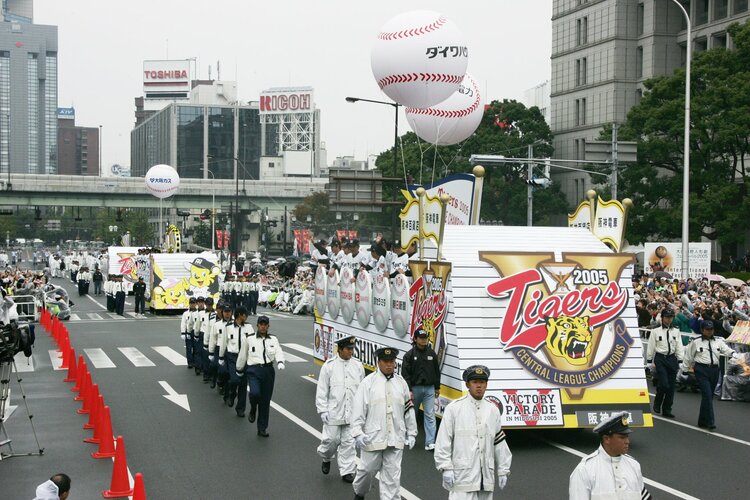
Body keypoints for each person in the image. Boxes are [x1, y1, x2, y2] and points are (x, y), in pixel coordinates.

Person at [434, 365, 512, 499]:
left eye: (482, 382)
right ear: (467, 385)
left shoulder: (492, 410)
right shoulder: (454, 408)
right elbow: (443, 441)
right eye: (475, 382)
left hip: (486, 478)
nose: (479, 386)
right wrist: (445, 467)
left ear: (486, 385)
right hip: (462, 477)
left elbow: (499, 443)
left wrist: (503, 470)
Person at [350, 347, 417, 500]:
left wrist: (412, 432)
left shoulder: (401, 383)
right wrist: (357, 433)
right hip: (372, 437)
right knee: (366, 470)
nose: (389, 365)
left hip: (395, 436)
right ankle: (359, 493)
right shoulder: (368, 383)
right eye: (385, 362)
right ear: (378, 362)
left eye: (392, 362)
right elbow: (358, 410)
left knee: (392, 478)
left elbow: (408, 409)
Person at [569, 412, 652, 500]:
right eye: (622, 437)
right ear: (606, 439)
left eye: (627, 437)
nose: (627, 441)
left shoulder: (634, 465)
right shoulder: (585, 470)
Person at [316, 335, 365, 483]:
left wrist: (363, 412)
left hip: (352, 413)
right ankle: (326, 457)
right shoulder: (329, 366)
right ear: (340, 349)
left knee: (348, 444)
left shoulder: (357, 366)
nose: (351, 352)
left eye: (352, 349)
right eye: (348, 349)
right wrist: (323, 410)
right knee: (330, 440)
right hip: (334, 412)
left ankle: (347, 471)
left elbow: (363, 391)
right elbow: (322, 390)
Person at [682, 320, 738, 430]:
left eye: (711, 329)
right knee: (707, 395)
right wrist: (684, 370)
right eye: (707, 330)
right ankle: (710, 422)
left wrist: (733, 353)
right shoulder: (696, 342)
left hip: (714, 370)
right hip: (701, 369)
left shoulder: (718, 341)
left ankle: (702, 421)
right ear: (702, 330)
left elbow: (725, 349)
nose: (709, 331)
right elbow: (688, 356)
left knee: (709, 396)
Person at [237, 314, 286, 436]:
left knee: (265, 401)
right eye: (261, 324)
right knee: (254, 393)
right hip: (254, 370)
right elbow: (243, 355)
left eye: (265, 325)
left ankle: (262, 428)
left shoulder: (273, 339)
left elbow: (278, 351)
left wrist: (280, 361)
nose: (263, 327)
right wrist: (239, 369)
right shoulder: (249, 339)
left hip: (268, 371)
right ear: (257, 325)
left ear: (268, 326)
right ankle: (253, 408)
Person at [401, 327, 441, 450]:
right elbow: (405, 373)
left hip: (429, 388)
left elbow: (436, 371)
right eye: (421, 338)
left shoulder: (431, 353)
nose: (424, 340)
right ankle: (408, 436)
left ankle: (430, 442)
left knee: (429, 414)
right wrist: (409, 389)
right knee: (412, 413)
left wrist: (437, 387)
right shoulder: (409, 355)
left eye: (425, 338)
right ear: (415, 339)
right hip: (415, 389)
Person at [646, 307, 684, 418]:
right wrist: (649, 360)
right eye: (667, 317)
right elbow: (651, 346)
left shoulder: (676, 331)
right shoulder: (655, 331)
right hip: (660, 358)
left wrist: (680, 360)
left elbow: (679, 346)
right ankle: (658, 401)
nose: (669, 320)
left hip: (671, 358)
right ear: (662, 318)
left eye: (671, 317)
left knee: (671, 387)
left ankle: (667, 409)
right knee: (664, 384)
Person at [220, 306, 250, 413]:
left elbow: (252, 343)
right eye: (245, 314)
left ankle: (240, 408)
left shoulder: (249, 327)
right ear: (240, 315)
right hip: (232, 356)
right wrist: (221, 356)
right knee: (234, 379)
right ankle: (232, 394)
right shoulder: (228, 327)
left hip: (244, 358)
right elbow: (224, 343)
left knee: (243, 383)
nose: (247, 316)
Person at [181, 297, 197, 370]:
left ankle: (194, 361)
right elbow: (183, 323)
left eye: (193, 303)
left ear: (195, 304)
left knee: (196, 348)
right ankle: (190, 362)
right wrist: (183, 333)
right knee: (189, 348)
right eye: (191, 303)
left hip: (196, 332)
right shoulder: (185, 313)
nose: (192, 305)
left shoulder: (198, 313)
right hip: (188, 332)